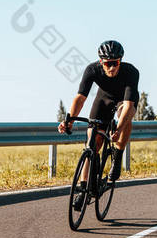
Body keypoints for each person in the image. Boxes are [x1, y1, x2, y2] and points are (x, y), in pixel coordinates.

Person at [57, 40, 139, 209]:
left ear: (120, 61)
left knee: (126, 115)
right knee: (92, 144)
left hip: (124, 101)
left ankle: (117, 155)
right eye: (108, 64)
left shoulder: (131, 72)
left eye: (115, 63)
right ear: (101, 62)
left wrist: (118, 130)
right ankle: (83, 188)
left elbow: (129, 106)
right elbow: (80, 98)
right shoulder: (92, 70)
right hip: (103, 100)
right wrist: (69, 121)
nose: (112, 68)